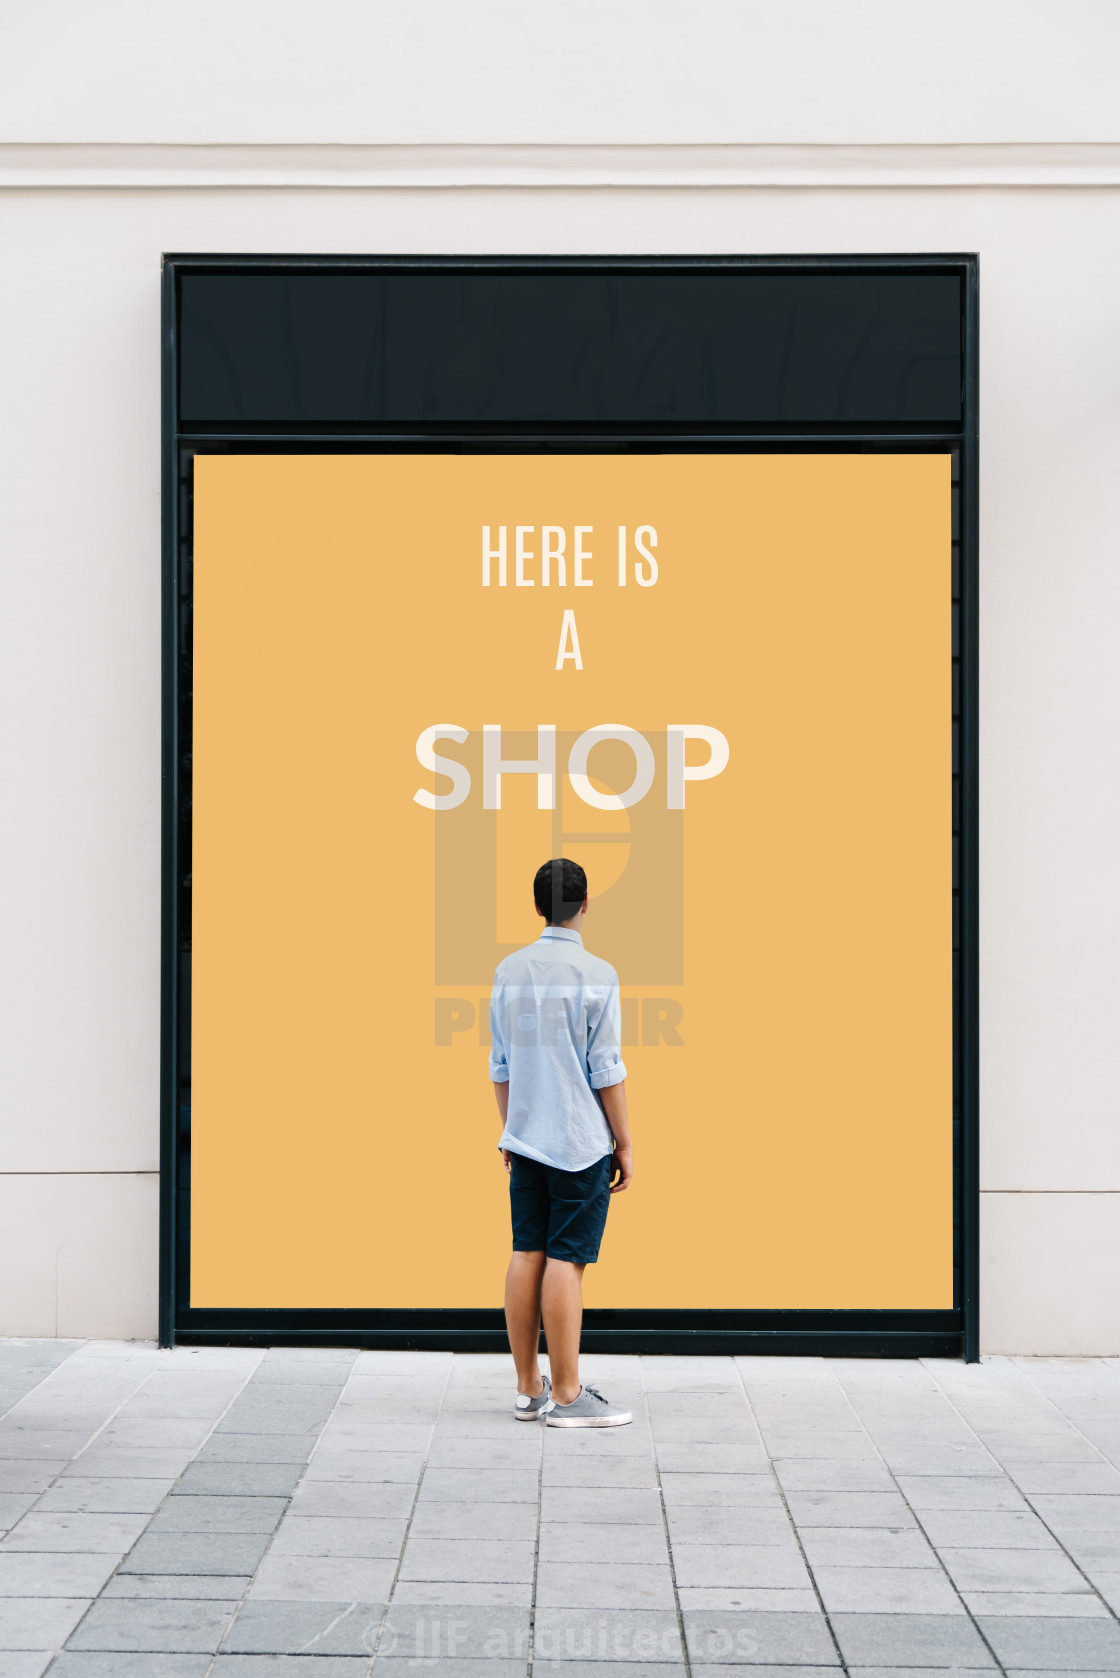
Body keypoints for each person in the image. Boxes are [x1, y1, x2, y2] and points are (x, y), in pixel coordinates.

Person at [489, 857, 634, 1427]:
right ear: (585, 904)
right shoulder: (598, 973)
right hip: (578, 1140)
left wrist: (509, 1128)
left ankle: (530, 1391)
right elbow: (607, 1070)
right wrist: (623, 1143)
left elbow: (501, 1065)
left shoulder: (508, 970)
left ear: (537, 907)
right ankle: (570, 1395)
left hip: (524, 1138)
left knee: (527, 1250)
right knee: (566, 1260)